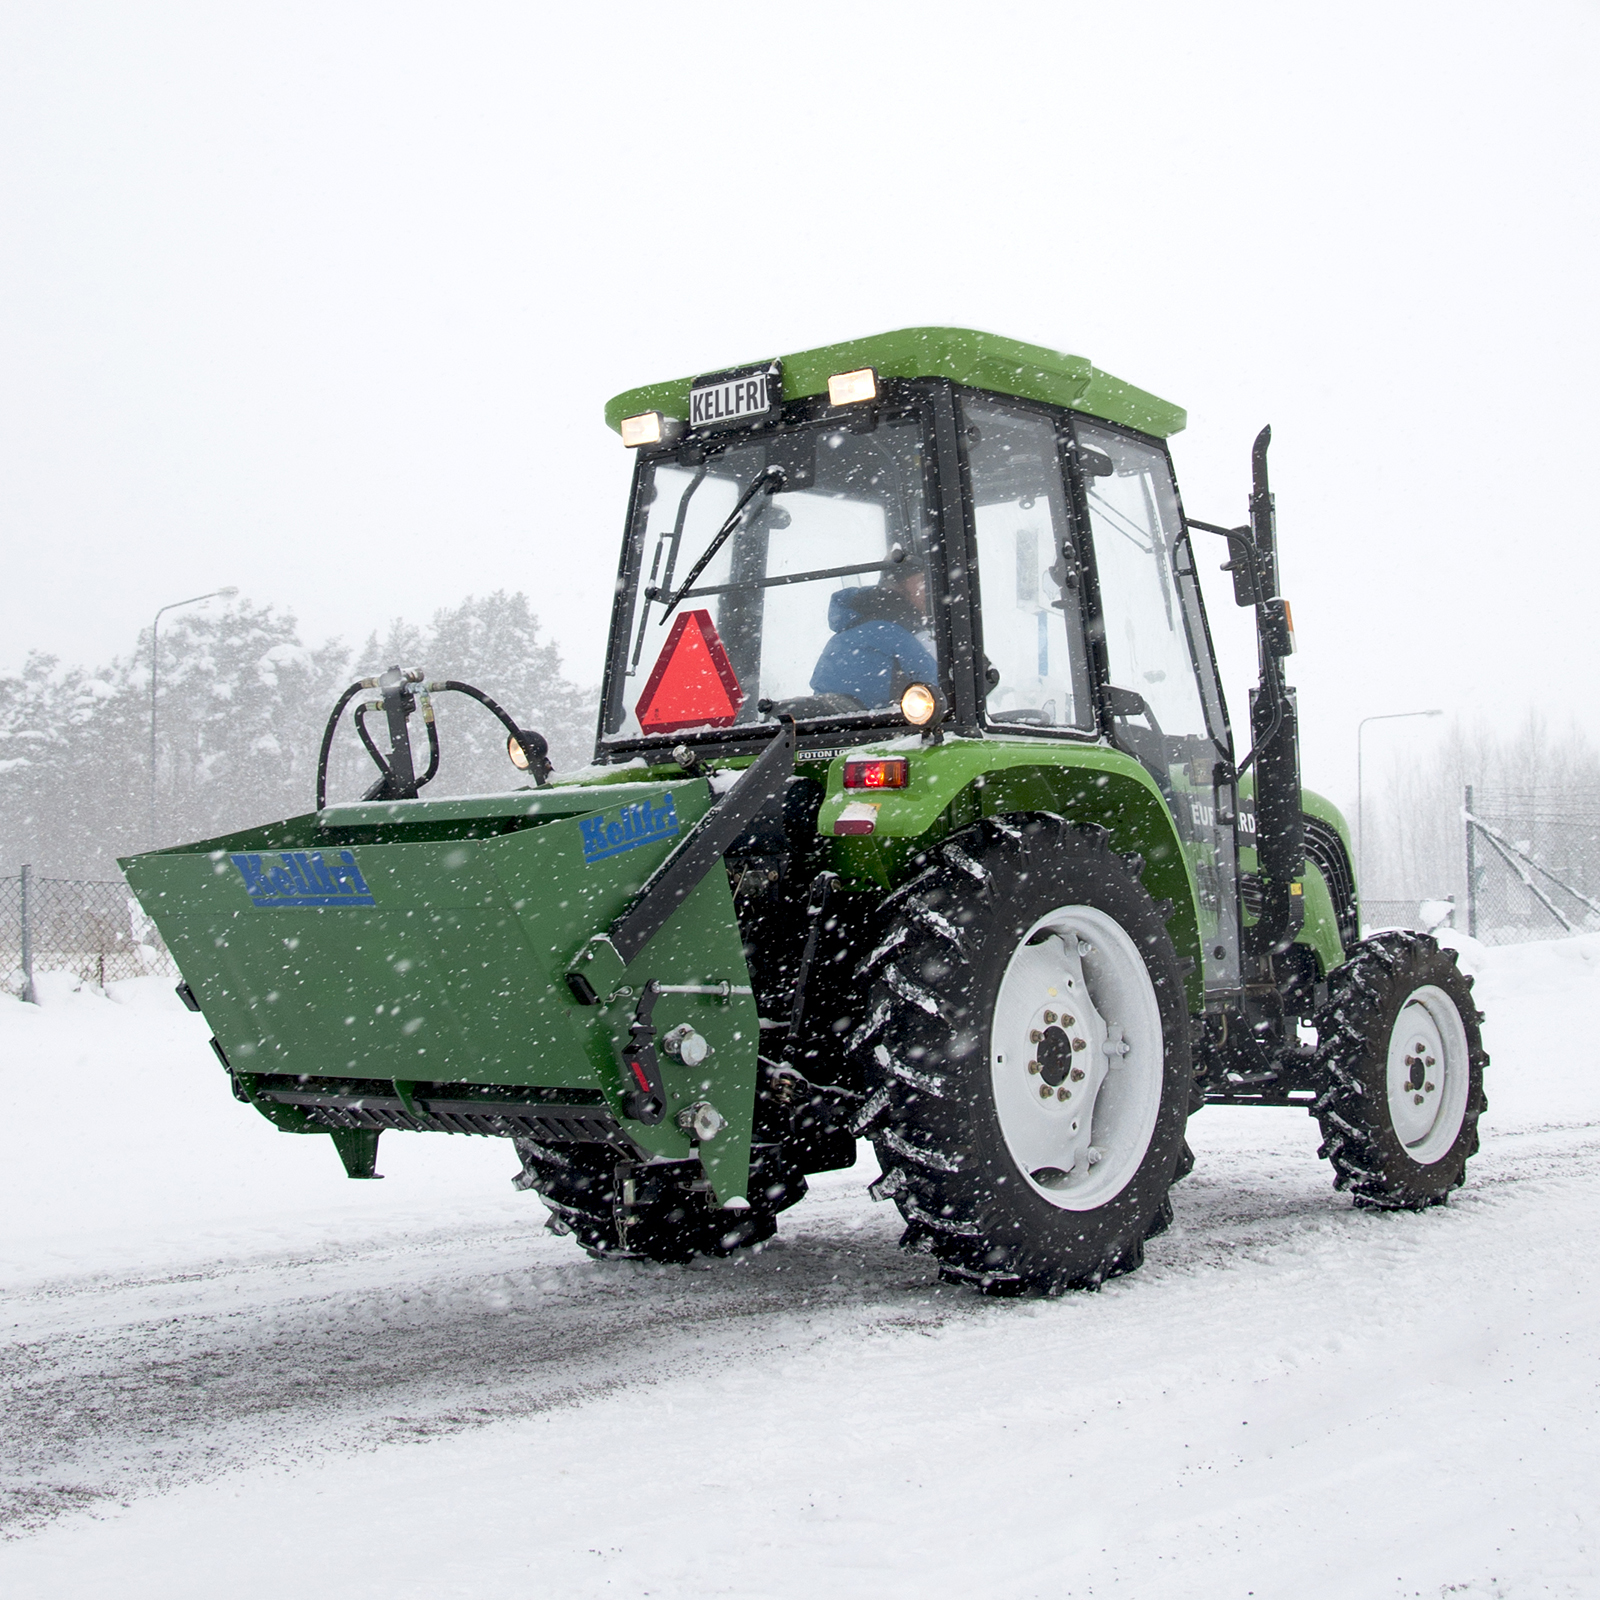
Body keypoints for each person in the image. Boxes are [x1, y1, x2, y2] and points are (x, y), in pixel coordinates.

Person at [810, 564, 937, 709]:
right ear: (900, 589)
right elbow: (936, 683)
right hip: (874, 724)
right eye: (921, 583)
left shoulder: (845, 634)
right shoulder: (893, 633)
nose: (927, 591)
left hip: (827, 722)